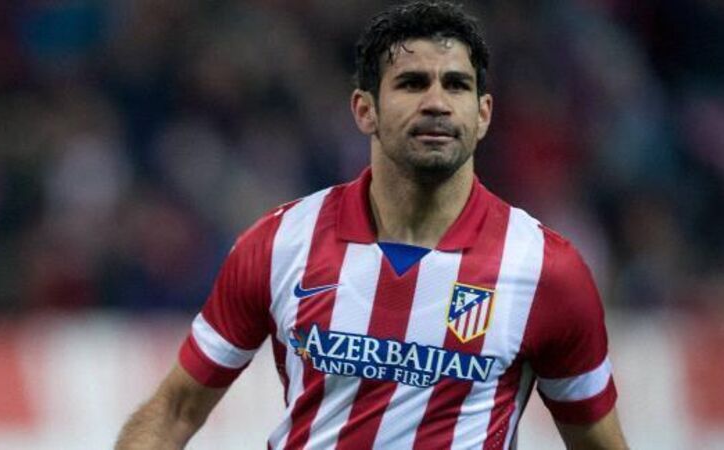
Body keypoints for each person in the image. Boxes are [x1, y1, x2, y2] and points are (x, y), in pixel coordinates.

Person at [115, 1, 629, 449]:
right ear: (365, 110)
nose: (436, 102)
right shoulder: (281, 243)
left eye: (456, 85)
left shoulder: (546, 271)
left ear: (483, 114)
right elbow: (174, 411)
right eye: (411, 83)